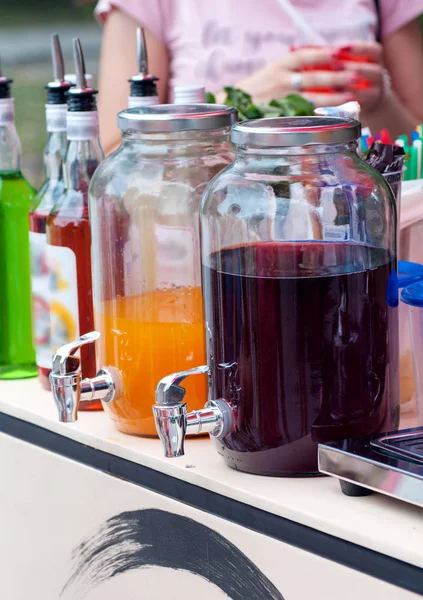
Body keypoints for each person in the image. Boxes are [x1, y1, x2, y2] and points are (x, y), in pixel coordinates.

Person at [96, 0, 423, 154]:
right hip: (205, 246)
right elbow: (109, 157)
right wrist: (238, 106)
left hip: (357, 241)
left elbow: (418, 146)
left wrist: (379, 103)